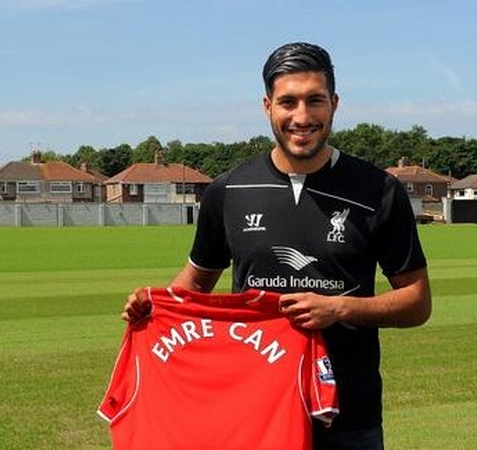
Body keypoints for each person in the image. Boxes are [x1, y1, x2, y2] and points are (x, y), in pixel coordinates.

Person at [122, 42, 432, 450]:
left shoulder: (379, 190)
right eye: (288, 102)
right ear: (267, 106)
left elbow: (417, 303)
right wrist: (154, 307)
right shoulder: (229, 190)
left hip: (349, 419)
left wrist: (338, 308)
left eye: (315, 100)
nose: (302, 117)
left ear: (334, 104)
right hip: (254, 412)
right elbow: (195, 283)